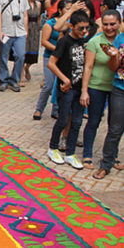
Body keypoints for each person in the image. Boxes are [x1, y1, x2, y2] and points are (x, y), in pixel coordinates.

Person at [46, 10, 90, 169]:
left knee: (77, 121)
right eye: (81, 28)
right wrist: (64, 79)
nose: (84, 31)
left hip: (80, 88)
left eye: (86, 28)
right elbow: (51, 63)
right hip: (66, 88)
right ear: (72, 27)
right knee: (64, 119)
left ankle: (70, 153)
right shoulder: (65, 41)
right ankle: (53, 147)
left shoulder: (84, 42)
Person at [80, 10, 121, 170]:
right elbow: (88, 67)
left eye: (112, 24)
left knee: (115, 125)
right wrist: (84, 90)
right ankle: (88, 153)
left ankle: (112, 155)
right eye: (105, 24)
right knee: (93, 121)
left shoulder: (121, 40)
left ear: (119, 23)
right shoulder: (95, 42)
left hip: (117, 88)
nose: (109, 27)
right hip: (97, 86)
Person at [94, 10, 124, 179]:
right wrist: (114, 57)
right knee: (114, 128)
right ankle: (106, 164)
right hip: (120, 88)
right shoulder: (120, 39)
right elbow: (114, 67)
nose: (110, 27)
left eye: (113, 24)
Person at [34, 0, 69, 120]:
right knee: (48, 84)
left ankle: (56, 110)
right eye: (67, 9)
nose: (69, 12)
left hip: (63, 59)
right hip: (50, 56)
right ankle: (39, 109)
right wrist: (58, 49)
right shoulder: (50, 24)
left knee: (58, 85)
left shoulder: (70, 24)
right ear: (60, 10)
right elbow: (44, 42)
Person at [0, 0, 30, 92]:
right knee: (3, 57)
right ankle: (3, 80)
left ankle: (14, 80)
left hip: (19, 31)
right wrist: (0, 31)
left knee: (20, 55)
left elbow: (25, 14)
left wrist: (26, 31)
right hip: (6, 31)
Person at [23, 0, 42, 85]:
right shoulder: (24, 3)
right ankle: (20, 77)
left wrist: (39, 28)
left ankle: (27, 68)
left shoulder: (38, 4)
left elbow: (39, 17)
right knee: (24, 51)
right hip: (26, 27)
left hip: (35, 29)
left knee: (33, 51)